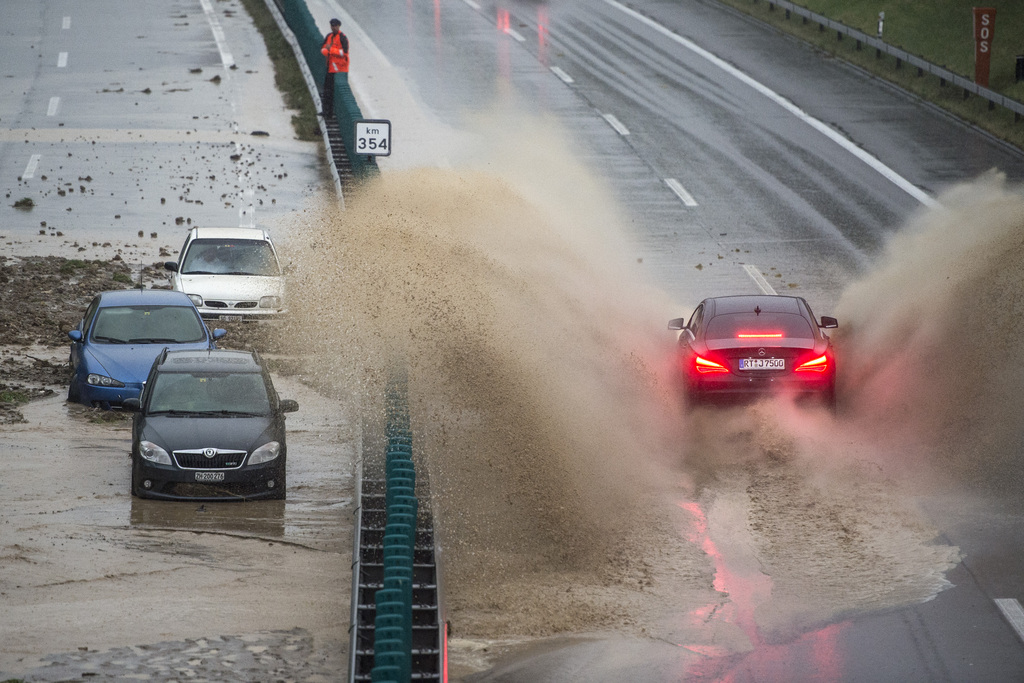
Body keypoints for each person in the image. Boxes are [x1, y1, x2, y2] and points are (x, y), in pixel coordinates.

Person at [320, 18, 349, 119]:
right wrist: (327, 51)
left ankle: (331, 113)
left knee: (334, 93)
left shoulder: (342, 38)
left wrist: (331, 50)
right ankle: (326, 112)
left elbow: (344, 53)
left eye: (335, 26)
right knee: (327, 91)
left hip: (340, 71)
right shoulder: (329, 36)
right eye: (332, 26)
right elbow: (323, 49)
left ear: (339, 26)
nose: (334, 27)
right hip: (330, 68)